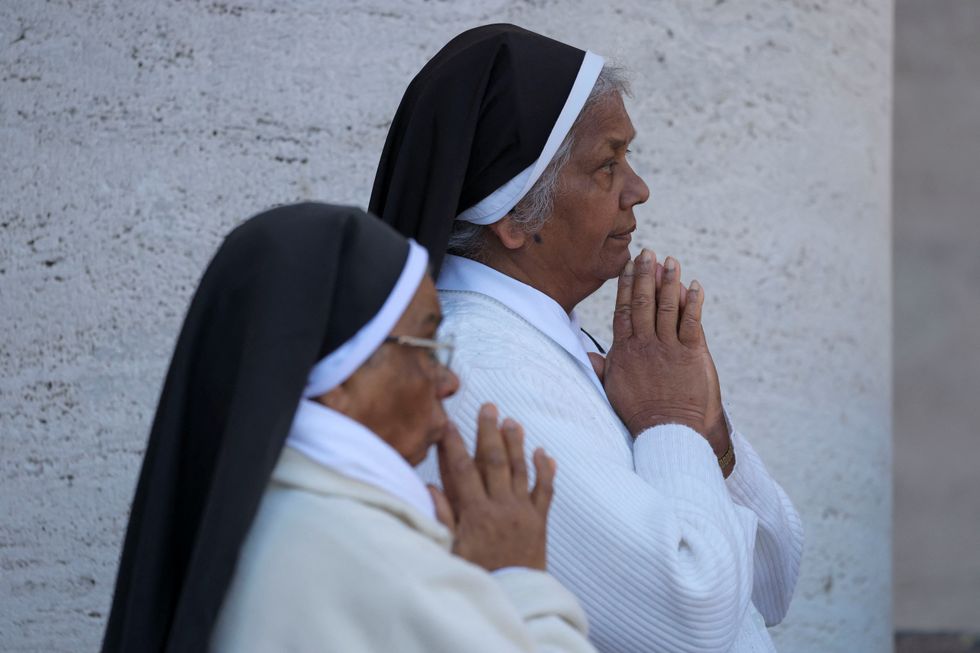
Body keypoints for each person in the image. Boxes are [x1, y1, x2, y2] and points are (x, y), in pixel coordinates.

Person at [371, 24, 804, 653]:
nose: (639, 189)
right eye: (608, 164)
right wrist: (674, 422)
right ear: (516, 217)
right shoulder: (478, 373)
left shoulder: (574, 345)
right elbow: (691, 627)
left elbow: (772, 584)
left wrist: (709, 436)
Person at [101, 202, 598, 653]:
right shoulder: (356, 549)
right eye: (427, 346)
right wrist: (517, 573)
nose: (448, 382)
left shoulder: (258, 510)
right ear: (336, 378)